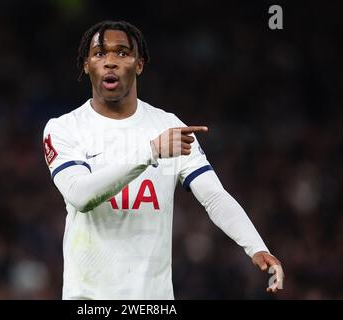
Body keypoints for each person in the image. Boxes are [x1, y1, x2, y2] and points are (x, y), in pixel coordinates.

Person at [43, 20, 284, 300]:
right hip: (88, 299)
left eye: (122, 53)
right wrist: (150, 152)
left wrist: (256, 246)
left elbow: (214, 196)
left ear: (139, 64)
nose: (110, 62)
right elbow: (80, 195)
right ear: (86, 65)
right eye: (99, 54)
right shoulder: (63, 128)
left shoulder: (168, 126)